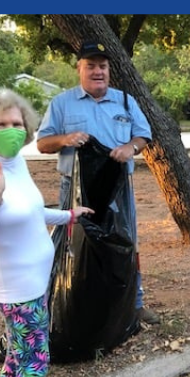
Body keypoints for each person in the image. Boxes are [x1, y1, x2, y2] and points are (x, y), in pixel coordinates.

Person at [0, 89, 95, 377]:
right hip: (17, 290)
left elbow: (29, 211)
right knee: (34, 363)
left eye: (17, 123)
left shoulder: (15, 163)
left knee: (17, 356)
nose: (12, 130)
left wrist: (69, 215)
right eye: (0, 125)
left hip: (34, 283)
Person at [35, 40, 158, 325]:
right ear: (79, 69)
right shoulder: (62, 103)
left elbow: (143, 136)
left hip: (118, 189)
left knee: (125, 241)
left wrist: (131, 148)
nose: (97, 71)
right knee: (69, 244)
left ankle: (133, 304)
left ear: (109, 70)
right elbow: (42, 143)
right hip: (75, 189)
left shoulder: (125, 101)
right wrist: (64, 139)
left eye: (102, 66)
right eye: (90, 66)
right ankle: (64, 302)